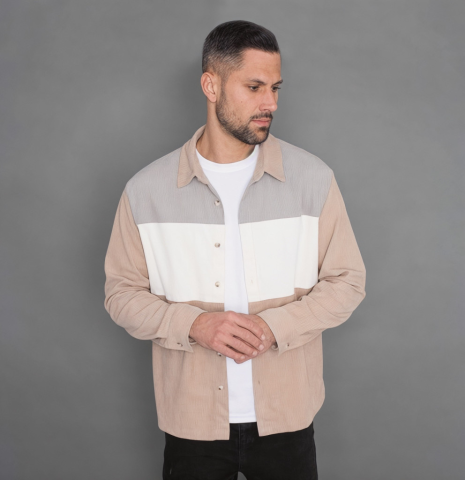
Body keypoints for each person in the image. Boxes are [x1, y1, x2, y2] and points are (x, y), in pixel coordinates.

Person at [104, 19, 366, 480]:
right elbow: (121, 294)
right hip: (192, 422)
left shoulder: (313, 179)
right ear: (211, 85)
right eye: (254, 87)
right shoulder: (146, 191)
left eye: (275, 88)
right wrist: (194, 325)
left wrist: (274, 327)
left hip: (288, 419)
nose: (271, 103)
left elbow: (348, 282)